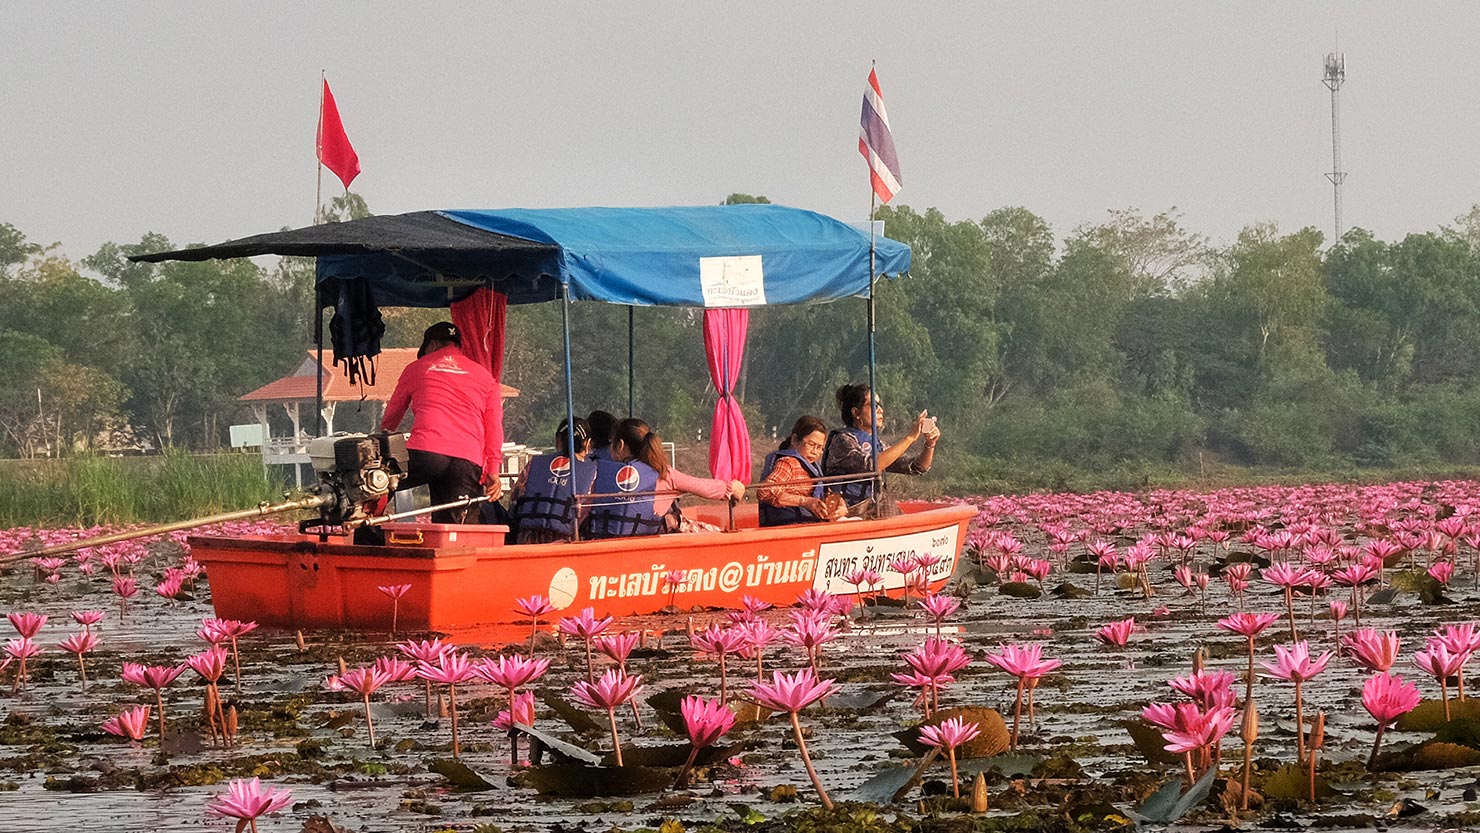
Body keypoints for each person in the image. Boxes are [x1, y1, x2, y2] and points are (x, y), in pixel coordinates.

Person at [380, 322, 503, 524]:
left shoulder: (417, 367)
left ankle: (369, 541)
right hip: (467, 459)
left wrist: (382, 440)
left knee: (376, 483)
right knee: (457, 529)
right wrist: (493, 471)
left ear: (433, 344)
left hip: (426, 452)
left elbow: (392, 416)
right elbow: (494, 427)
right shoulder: (485, 377)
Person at [583, 418, 745, 538]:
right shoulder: (664, 474)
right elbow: (704, 487)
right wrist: (731, 488)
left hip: (606, 546)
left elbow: (582, 511)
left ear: (620, 445)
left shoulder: (598, 472)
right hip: (648, 548)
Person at [821, 383, 940, 518]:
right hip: (850, 510)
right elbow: (872, 465)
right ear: (856, 413)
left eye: (880, 405)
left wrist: (930, 444)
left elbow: (916, 467)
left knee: (889, 506)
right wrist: (910, 437)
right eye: (874, 406)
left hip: (873, 506)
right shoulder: (842, 440)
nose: (880, 410)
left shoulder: (878, 444)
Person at [509, 418, 597, 544]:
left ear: (557, 440)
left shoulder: (533, 464)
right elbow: (587, 512)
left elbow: (515, 497)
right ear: (587, 444)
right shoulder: (593, 473)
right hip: (565, 540)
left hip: (527, 537)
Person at [758, 416, 846, 527]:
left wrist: (841, 506)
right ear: (795, 440)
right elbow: (765, 491)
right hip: (788, 527)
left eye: (819, 448)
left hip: (809, 526)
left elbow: (828, 492)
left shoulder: (815, 468)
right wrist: (805, 502)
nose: (815, 452)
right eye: (811, 444)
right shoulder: (788, 463)